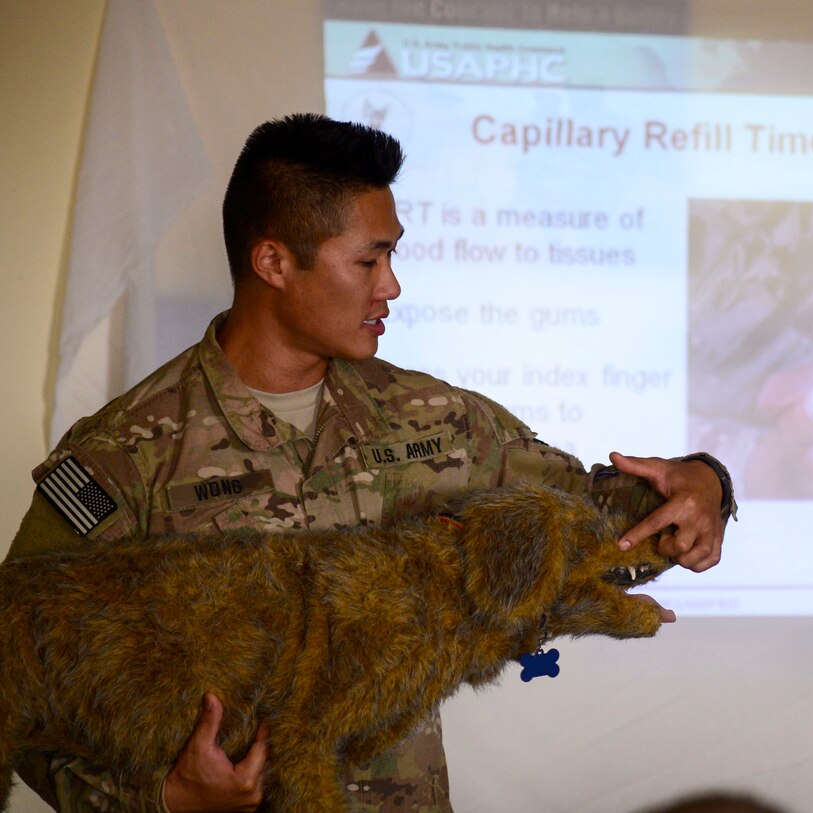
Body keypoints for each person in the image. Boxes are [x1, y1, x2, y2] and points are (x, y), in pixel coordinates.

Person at [7, 113, 734, 813]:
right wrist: (156, 801)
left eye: (393, 254)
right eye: (368, 259)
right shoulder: (125, 456)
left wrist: (706, 483)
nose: (391, 285)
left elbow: (591, 533)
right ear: (273, 262)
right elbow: (17, 674)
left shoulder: (442, 420)